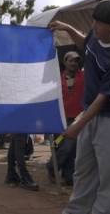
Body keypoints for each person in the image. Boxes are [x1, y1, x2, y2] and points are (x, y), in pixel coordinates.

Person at [49, 0, 110, 214]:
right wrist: (67, 28)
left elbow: (103, 98)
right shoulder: (96, 36)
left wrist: (78, 125)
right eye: (94, 21)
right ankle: (76, 210)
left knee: (108, 177)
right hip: (90, 113)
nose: (94, 26)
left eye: (99, 23)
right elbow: (84, 42)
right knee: (83, 170)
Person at [46, 51, 84, 186]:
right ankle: (52, 167)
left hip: (78, 118)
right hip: (60, 118)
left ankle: (68, 176)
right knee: (62, 146)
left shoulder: (83, 76)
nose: (74, 63)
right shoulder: (57, 79)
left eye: (76, 61)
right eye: (71, 60)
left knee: (72, 148)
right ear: (65, 62)